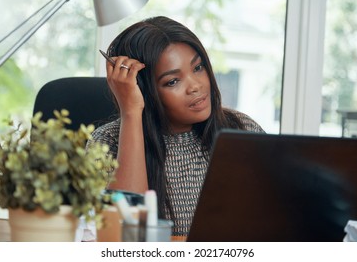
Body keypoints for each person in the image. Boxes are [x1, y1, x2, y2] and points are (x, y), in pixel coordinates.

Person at [88, 16, 265, 237]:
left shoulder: (242, 129)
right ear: (144, 90)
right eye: (173, 81)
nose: (195, 86)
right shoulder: (107, 142)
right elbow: (124, 239)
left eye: (198, 67)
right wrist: (131, 113)